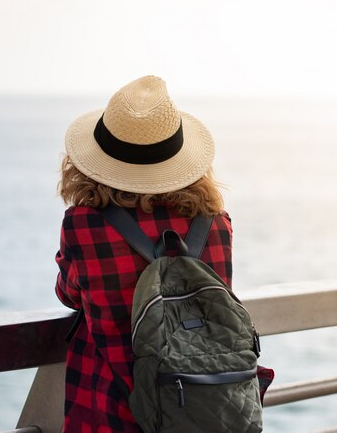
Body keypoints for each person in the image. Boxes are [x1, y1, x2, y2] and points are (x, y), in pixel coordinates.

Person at [55, 75, 233, 432]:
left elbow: (68, 295)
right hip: (200, 409)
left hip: (114, 411)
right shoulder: (216, 223)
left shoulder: (84, 226)